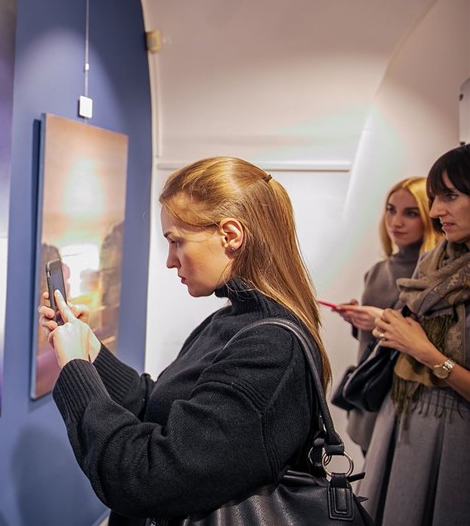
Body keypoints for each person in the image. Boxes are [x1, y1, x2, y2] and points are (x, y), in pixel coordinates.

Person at [38, 157, 332, 524]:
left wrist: (75, 369)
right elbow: (161, 407)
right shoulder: (232, 321)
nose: (170, 261)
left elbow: (145, 478)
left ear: (231, 236)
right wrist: (91, 352)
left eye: (177, 242)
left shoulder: (271, 349)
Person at [356, 145, 470, 525]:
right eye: (435, 198)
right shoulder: (432, 262)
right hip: (400, 419)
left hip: (455, 435)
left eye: (450, 196)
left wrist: (426, 352)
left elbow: (422, 348)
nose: (436, 211)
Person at [333, 177, 441, 454]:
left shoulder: (436, 275)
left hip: (405, 401)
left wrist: (380, 318)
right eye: (391, 210)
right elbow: (370, 342)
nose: (396, 222)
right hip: (370, 395)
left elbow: (435, 340)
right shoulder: (378, 271)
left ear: (430, 216)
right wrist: (357, 319)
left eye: (411, 213)